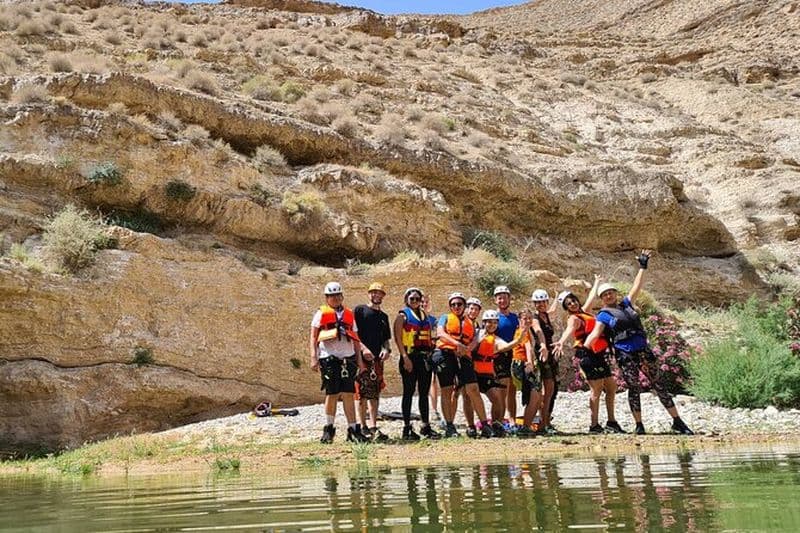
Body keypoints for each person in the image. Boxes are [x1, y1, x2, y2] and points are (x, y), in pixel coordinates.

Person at [584, 251, 694, 436]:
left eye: (611, 293)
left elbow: (637, 286)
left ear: (616, 294)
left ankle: (677, 421)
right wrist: (584, 350)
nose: (608, 296)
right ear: (602, 299)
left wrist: (643, 267)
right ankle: (639, 425)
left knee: (658, 384)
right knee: (633, 387)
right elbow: (595, 334)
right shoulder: (603, 314)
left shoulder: (626, 304)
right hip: (625, 354)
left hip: (643, 350)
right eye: (605, 295)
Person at [552, 278, 622, 434]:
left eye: (574, 301)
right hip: (587, 355)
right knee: (596, 389)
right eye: (568, 304)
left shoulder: (584, 312)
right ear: (566, 308)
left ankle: (611, 421)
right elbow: (569, 330)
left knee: (611, 387)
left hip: (599, 354)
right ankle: (594, 425)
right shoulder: (574, 318)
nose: (573, 304)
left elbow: (591, 297)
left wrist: (596, 282)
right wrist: (561, 342)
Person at [310, 282, 369, 443]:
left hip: (347, 358)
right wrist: (313, 357)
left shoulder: (349, 315)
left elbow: (356, 340)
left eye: (338, 295)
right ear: (327, 298)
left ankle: (353, 429)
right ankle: (329, 429)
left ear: (341, 296)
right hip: (329, 357)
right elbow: (314, 337)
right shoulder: (320, 314)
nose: (335, 298)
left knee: (349, 393)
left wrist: (360, 361)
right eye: (332, 296)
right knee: (332, 393)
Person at [394, 287, 440, 440]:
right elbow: (398, 338)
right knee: (408, 392)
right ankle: (406, 427)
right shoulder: (402, 316)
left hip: (424, 358)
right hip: (410, 357)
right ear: (407, 300)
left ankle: (425, 425)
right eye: (412, 299)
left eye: (417, 299)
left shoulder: (425, 317)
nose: (415, 301)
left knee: (424, 393)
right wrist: (405, 357)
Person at [473, 309, 526, 437]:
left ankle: (496, 424)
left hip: (485, 374)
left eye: (494, 323)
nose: (492, 325)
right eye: (489, 322)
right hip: (473, 372)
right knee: (468, 398)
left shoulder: (496, 339)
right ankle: (474, 425)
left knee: (497, 399)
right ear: (484, 322)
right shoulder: (476, 334)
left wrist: (519, 340)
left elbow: (505, 347)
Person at [434, 292, 477, 437]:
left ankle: (474, 425)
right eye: (453, 304)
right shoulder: (444, 318)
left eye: (459, 304)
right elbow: (440, 333)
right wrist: (457, 344)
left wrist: (466, 349)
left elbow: (474, 339)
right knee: (447, 390)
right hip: (445, 354)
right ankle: (449, 425)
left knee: (468, 390)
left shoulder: (470, 322)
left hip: (462, 357)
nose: (456, 307)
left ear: (464, 306)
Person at [354, 282, 392, 442]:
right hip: (360, 358)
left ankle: (373, 425)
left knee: (375, 393)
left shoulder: (384, 317)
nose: (376, 295)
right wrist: (363, 349)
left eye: (379, 293)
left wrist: (387, 350)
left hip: (377, 359)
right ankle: (361, 426)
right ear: (369, 294)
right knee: (360, 393)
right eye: (373, 292)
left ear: (383, 296)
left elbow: (386, 340)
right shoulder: (359, 311)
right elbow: (353, 334)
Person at [510, 309, 548, 437]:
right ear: (519, 320)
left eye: (529, 319)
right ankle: (525, 426)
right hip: (523, 364)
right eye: (525, 318)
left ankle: (528, 424)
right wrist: (530, 363)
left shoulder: (525, 332)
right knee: (535, 394)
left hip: (523, 363)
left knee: (536, 395)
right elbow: (528, 348)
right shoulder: (523, 332)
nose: (527, 321)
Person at [531, 289, 558, 434]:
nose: (541, 305)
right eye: (538, 302)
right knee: (547, 389)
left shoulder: (546, 315)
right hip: (542, 354)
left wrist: (557, 297)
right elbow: (538, 331)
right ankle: (543, 423)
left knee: (551, 389)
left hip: (550, 354)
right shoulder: (535, 318)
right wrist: (542, 346)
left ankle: (545, 421)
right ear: (534, 304)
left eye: (543, 302)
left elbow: (552, 310)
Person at [493, 286, 520, 427]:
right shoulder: (493, 317)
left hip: (514, 354)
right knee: (502, 389)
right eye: (499, 297)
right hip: (499, 356)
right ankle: (500, 418)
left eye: (505, 297)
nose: (502, 300)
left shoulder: (515, 318)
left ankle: (512, 419)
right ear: (495, 300)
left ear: (509, 299)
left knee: (512, 390)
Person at [462, 297, 483, 438]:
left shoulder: (478, 326)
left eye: (476, 309)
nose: (473, 311)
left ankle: (473, 425)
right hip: (462, 359)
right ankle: (469, 425)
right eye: (471, 308)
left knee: (470, 393)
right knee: (463, 394)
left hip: (473, 361)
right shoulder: (462, 322)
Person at [423, 294, 442, 425]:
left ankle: (434, 410)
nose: (424, 304)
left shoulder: (433, 320)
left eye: (426, 302)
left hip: (431, 352)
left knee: (433, 380)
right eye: (422, 302)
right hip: (419, 353)